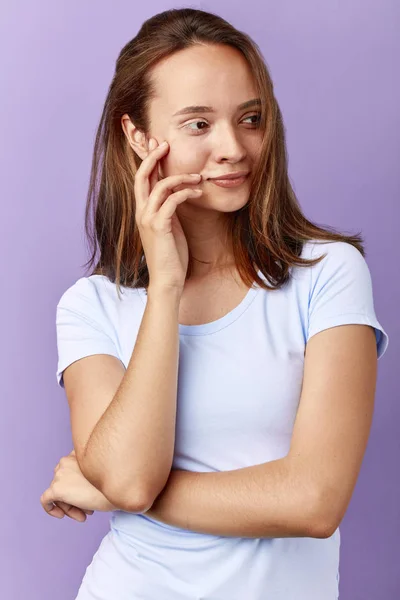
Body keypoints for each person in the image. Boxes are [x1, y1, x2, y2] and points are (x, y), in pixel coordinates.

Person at [46, 7, 389, 600]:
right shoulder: (90, 306)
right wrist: (166, 286)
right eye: (198, 124)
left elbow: (314, 501)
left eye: (250, 118)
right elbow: (129, 477)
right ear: (137, 137)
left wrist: (111, 491)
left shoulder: (328, 274)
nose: (234, 147)